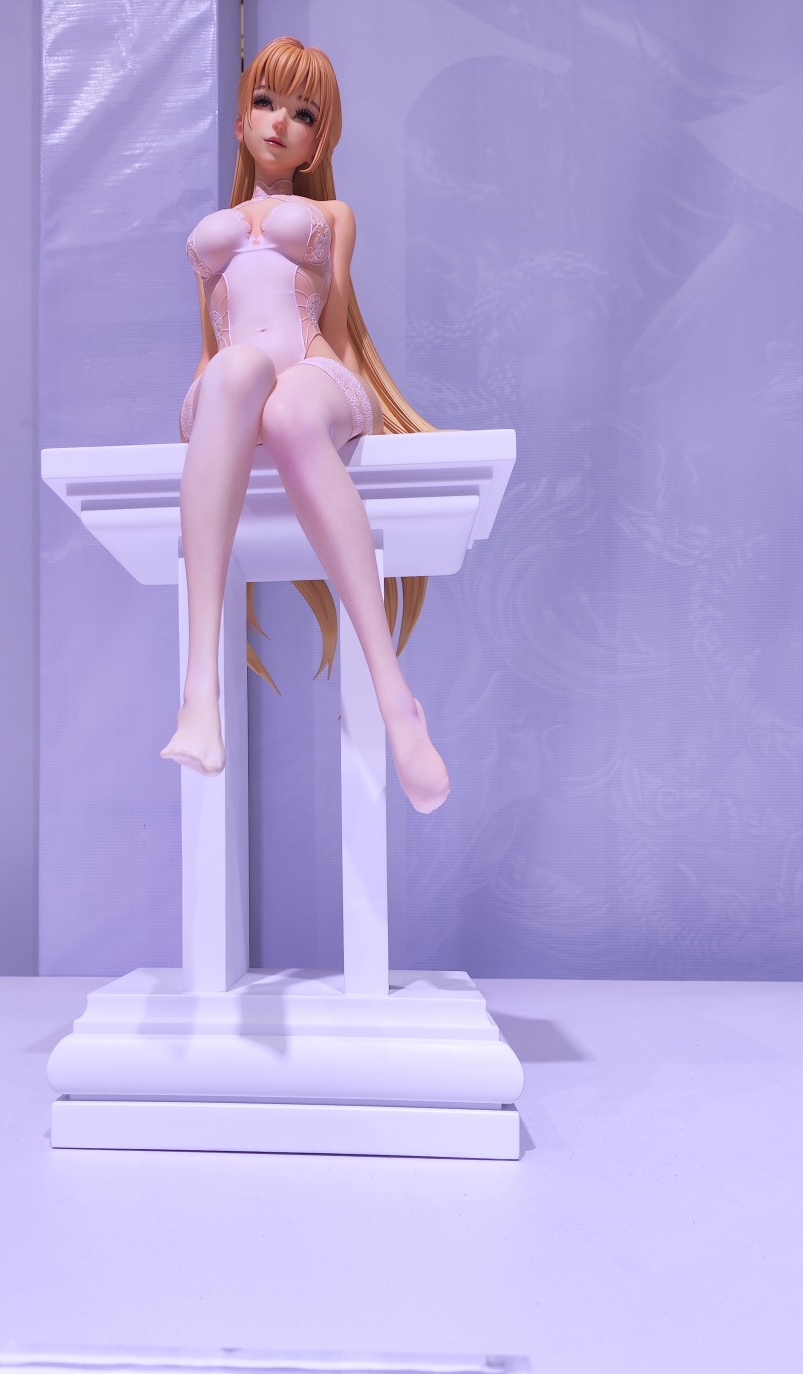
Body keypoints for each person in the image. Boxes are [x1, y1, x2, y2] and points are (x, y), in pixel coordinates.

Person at [160, 37, 451, 814]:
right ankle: (199, 693)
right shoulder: (210, 231)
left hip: (315, 381)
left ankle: (396, 701)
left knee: (287, 404)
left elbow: (337, 324)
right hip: (230, 386)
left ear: (320, 140)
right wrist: (207, 412)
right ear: (240, 121)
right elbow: (212, 345)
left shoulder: (329, 215)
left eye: (302, 113)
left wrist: (355, 397)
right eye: (265, 102)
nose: (279, 122)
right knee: (238, 371)